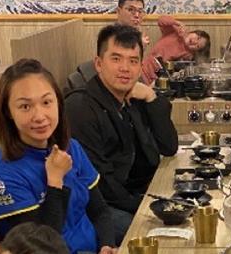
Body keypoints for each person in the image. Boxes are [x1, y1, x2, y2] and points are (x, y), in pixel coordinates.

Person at [0, 58, 116, 254]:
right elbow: (40, 250)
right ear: (8, 113)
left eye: (47, 102)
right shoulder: (3, 173)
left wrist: (107, 245)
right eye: (25, 106)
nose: (40, 116)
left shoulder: (70, 147)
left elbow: (100, 210)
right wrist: (54, 181)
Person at [64, 25, 178, 240]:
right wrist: (145, 207)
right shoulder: (80, 107)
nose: (125, 68)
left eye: (133, 61)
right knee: (165, 237)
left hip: (133, 193)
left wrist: (151, 97)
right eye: (116, 59)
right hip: (100, 208)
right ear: (99, 64)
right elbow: (101, 184)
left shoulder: (130, 96)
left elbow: (168, 146)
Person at [142, 16, 210, 84]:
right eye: (198, 38)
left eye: (197, 46)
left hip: (156, 79)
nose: (194, 42)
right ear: (193, 32)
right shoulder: (175, 32)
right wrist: (177, 23)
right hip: (144, 68)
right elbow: (161, 20)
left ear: (195, 51)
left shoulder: (187, 54)